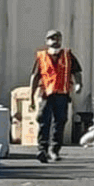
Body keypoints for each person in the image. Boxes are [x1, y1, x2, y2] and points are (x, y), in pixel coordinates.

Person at [31, 30, 82, 163]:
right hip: (46, 94)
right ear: (47, 41)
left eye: (58, 38)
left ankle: (54, 150)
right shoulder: (41, 56)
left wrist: (79, 84)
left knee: (59, 122)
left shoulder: (67, 55)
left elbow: (76, 71)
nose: (55, 41)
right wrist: (32, 96)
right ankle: (42, 149)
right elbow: (35, 77)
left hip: (62, 94)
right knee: (43, 121)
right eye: (51, 38)